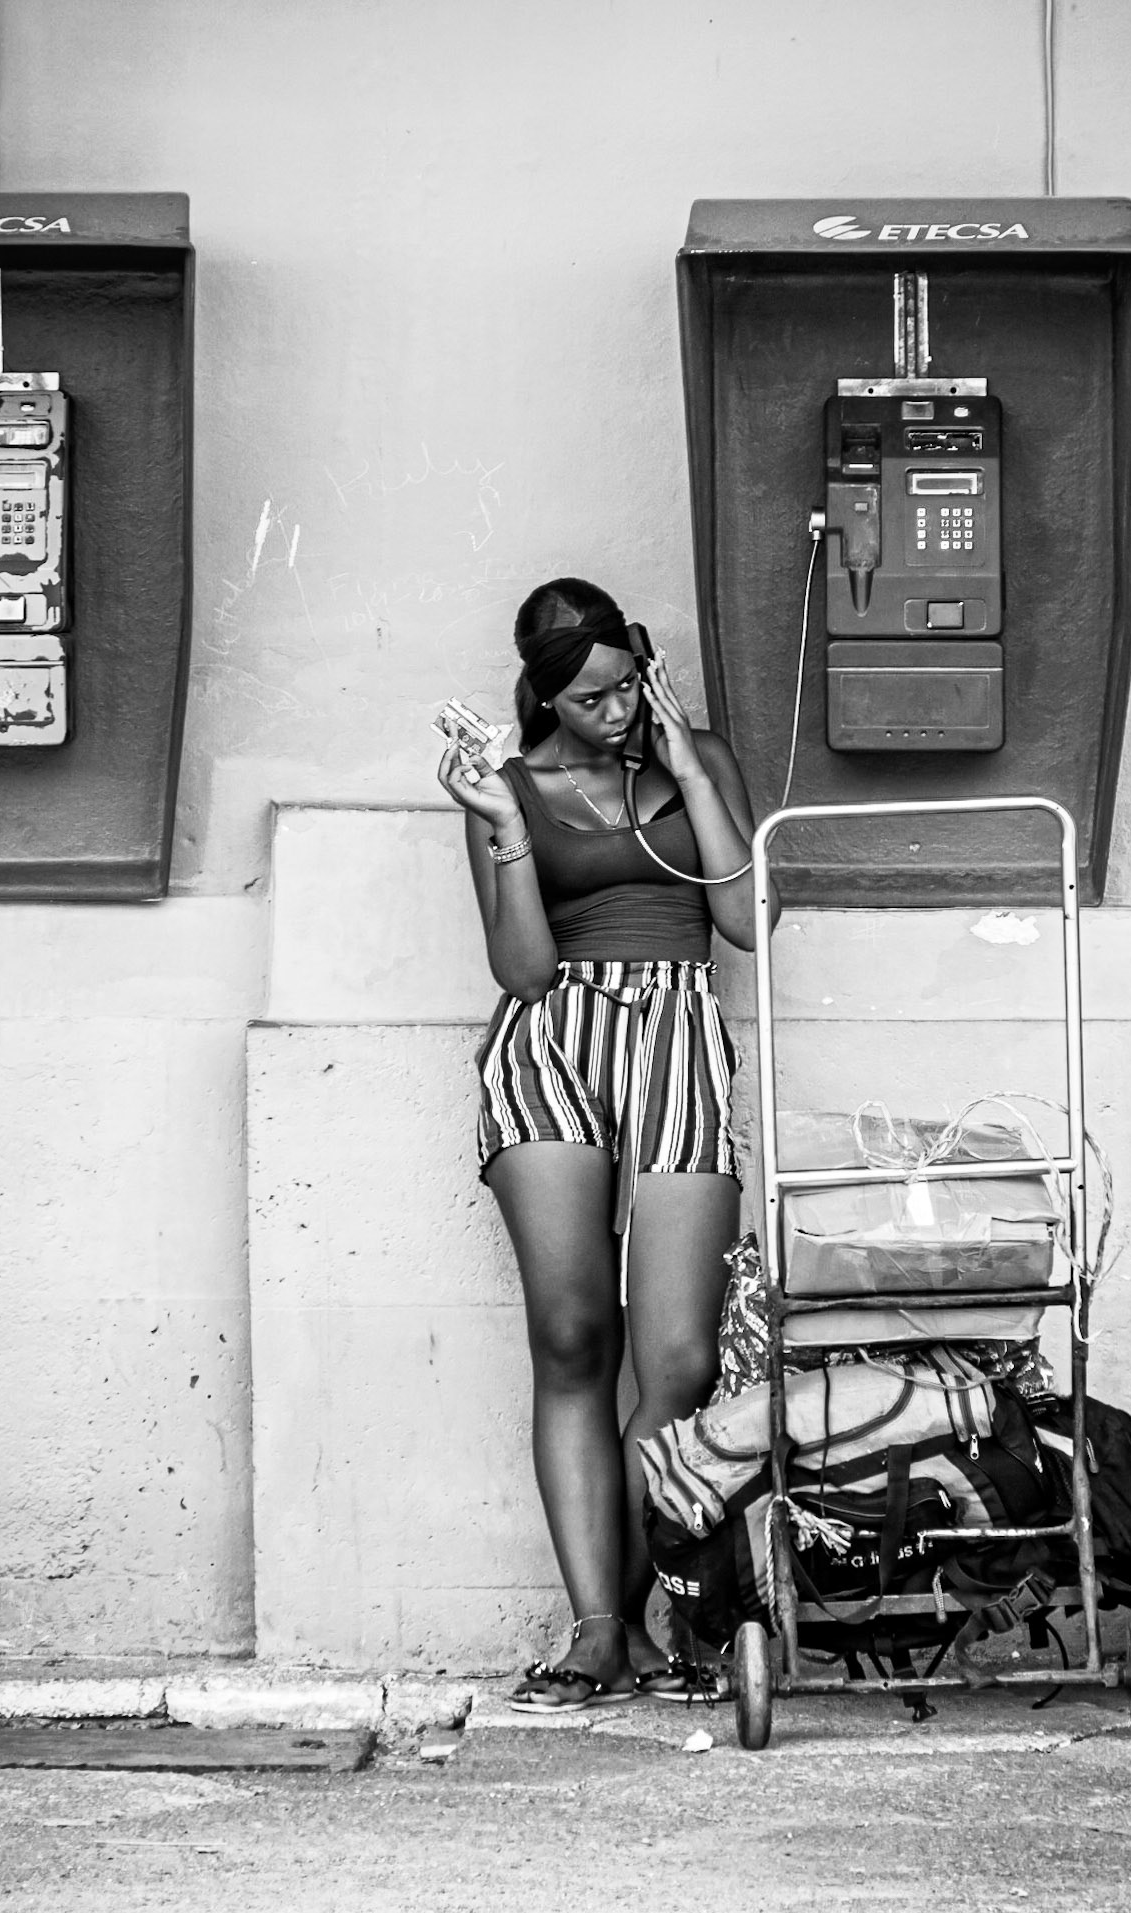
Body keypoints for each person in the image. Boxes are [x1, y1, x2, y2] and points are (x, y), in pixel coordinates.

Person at [436, 577, 773, 1709]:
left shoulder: (697, 756)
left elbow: (744, 921)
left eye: (627, 684)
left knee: (675, 1358)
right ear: (544, 697)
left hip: (677, 1021)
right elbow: (523, 969)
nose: (616, 709)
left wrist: (683, 765)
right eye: (590, 698)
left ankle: (637, 1605)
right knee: (574, 1335)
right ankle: (594, 1631)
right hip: (556, 1034)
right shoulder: (508, 786)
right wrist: (498, 828)